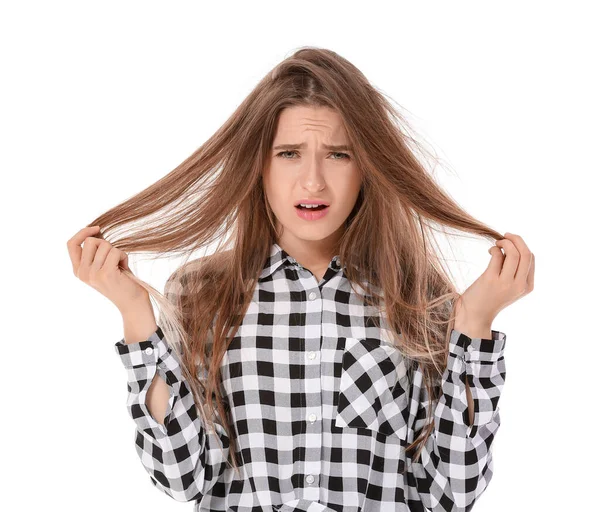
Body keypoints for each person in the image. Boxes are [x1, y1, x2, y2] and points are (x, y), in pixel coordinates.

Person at [67, 47, 534, 512]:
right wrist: (135, 316)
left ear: (367, 167)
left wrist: (475, 324)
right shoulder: (202, 293)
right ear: (261, 165)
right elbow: (182, 476)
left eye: (338, 155)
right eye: (289, 153)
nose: (313, 182)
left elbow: (450, 491)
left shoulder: (418, 298)